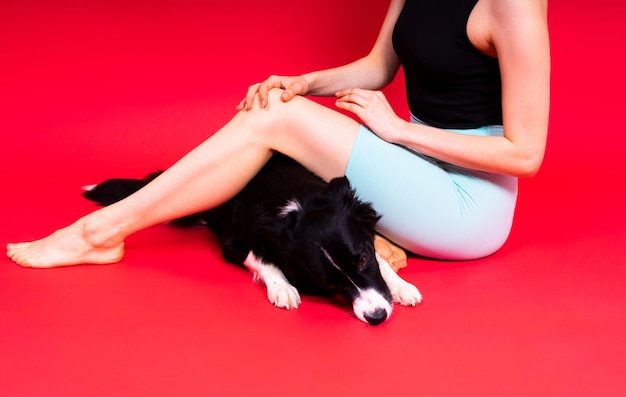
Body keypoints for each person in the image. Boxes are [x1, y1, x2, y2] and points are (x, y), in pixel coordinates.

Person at [6, 0, 550, 271]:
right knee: (278, 105)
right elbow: (379, 65)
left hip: (469, 202)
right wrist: (305, 82)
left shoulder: (514, 6)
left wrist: (397, 132)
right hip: (414, 161)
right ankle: (105, 230)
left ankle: (97, 234)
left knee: (276, 122)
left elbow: (524, 155)